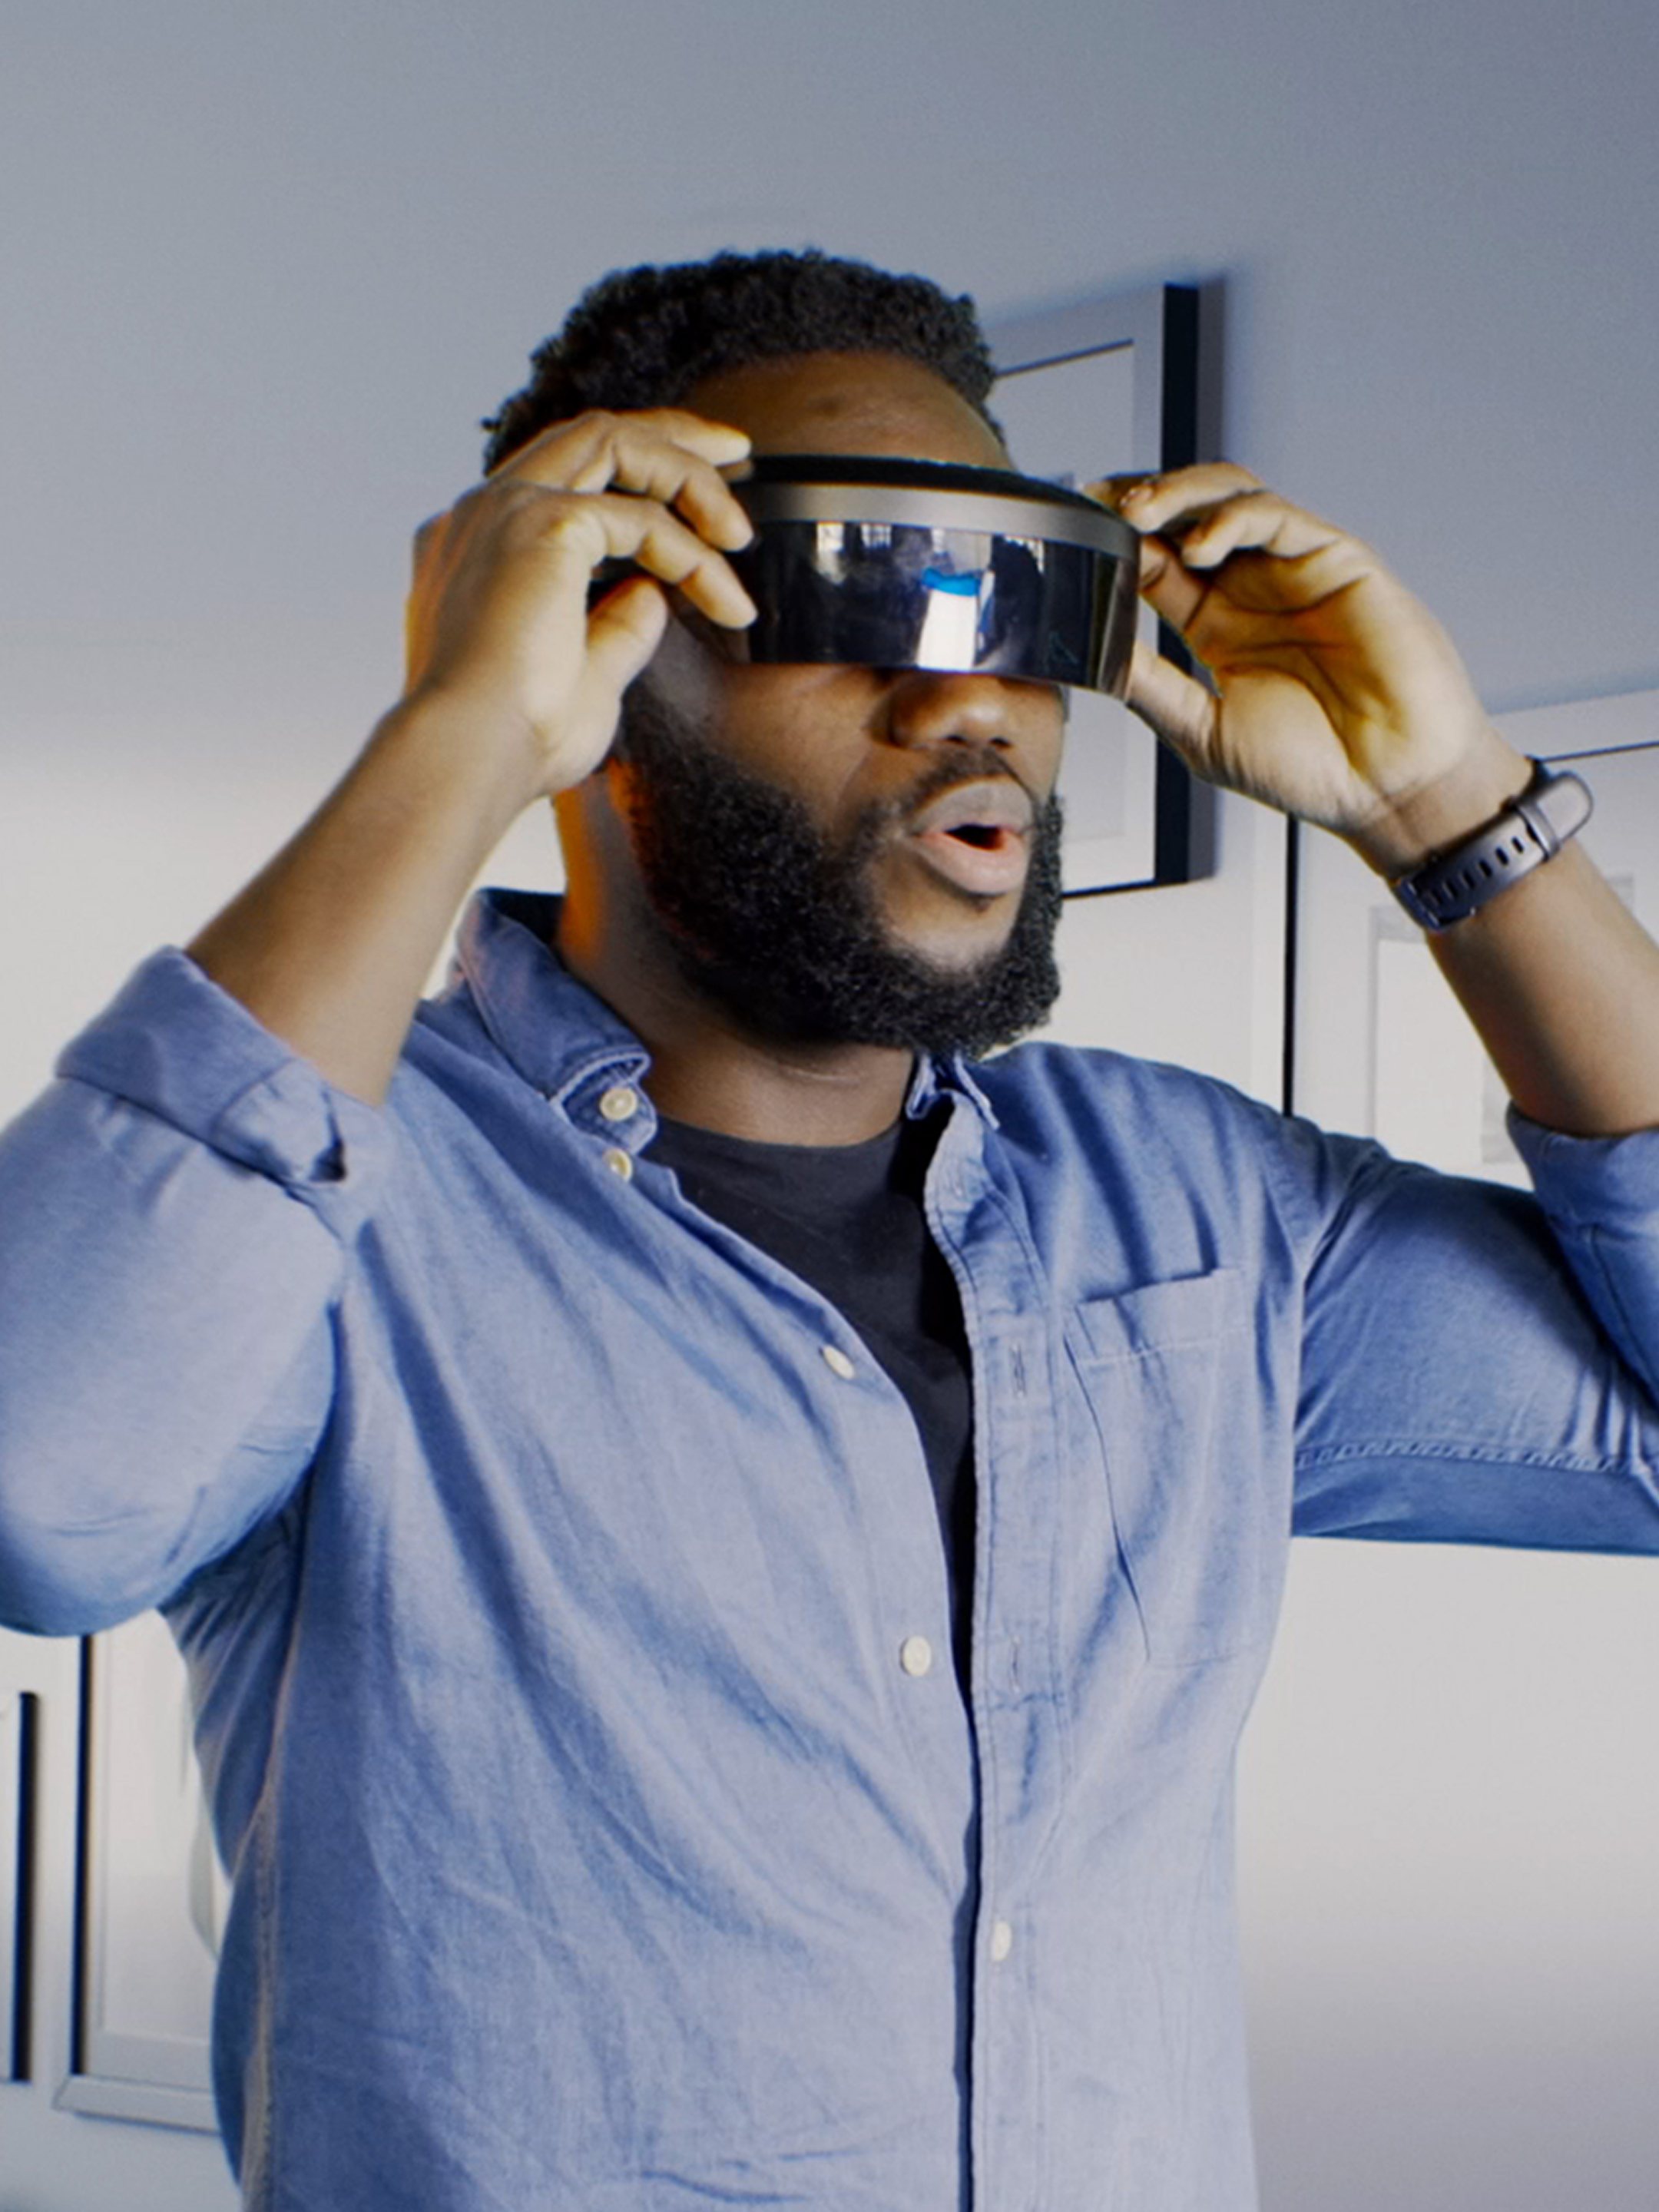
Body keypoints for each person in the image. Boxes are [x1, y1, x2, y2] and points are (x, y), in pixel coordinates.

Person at [2, 248, 1657, 2212]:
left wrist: (1447, 804)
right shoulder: (345, 1209)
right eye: (860, 589)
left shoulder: (1202, 1221)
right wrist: (456, 737)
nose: (970, 693)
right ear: (602, 643)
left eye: (1018, 602)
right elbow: (42, 1488)